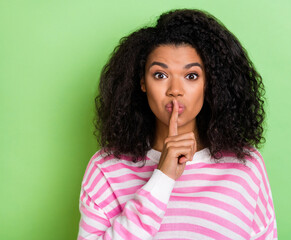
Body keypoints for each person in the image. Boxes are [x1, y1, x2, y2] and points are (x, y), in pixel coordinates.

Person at [77, 8, 277, 240]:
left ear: (209, 83)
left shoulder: (245, 166)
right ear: (142, 83)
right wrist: (163, 177)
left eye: (191, 76)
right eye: (160, 75)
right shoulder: (107, 168)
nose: (175, 90)